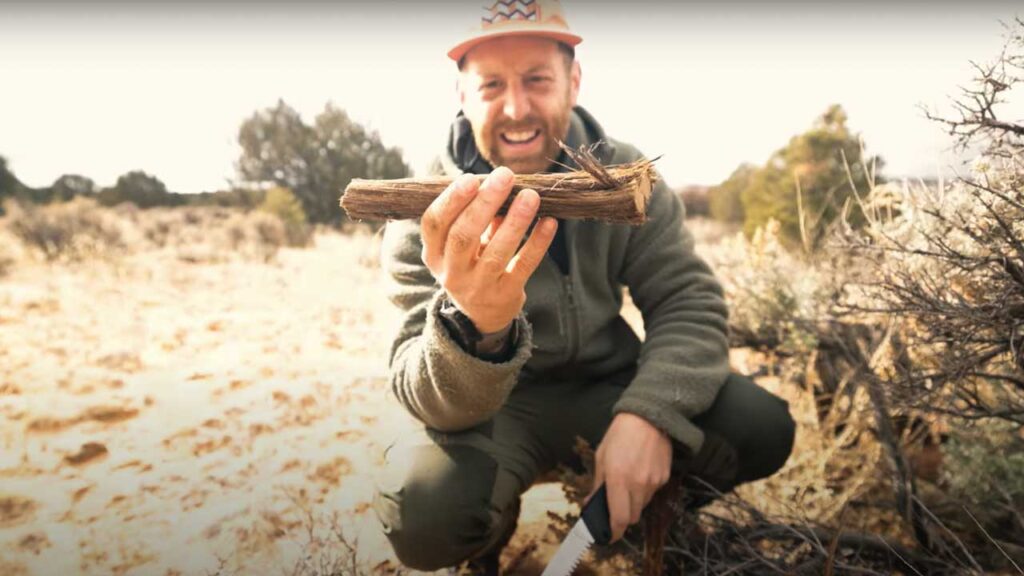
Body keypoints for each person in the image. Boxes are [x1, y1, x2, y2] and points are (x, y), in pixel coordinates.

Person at [372, 1, 795, 573]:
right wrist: (476, 328)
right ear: (462, 95)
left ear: (574, 81)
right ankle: (485, 545)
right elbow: (418, 388)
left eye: (537, 79)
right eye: (491, 84)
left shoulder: (629, 176)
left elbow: (687, 300)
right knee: (425, 515)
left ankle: (640, 514)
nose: (517, 107)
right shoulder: (425, 208)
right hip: (498, 412)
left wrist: (650, 415)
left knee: (761, 426)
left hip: (608, 385)